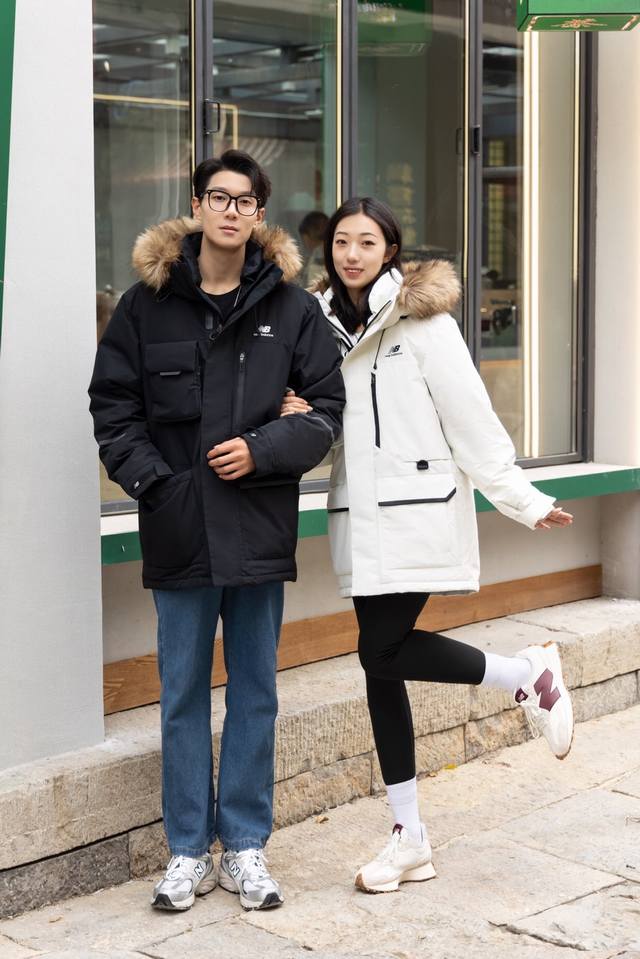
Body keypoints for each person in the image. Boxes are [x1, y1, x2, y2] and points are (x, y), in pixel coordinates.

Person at [282, 196, 573, 895]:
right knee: (380, 669)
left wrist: (523, 499)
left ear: (390, 250)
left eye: (367, 241)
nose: (352, 253)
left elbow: (470, 416)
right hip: (359, 516)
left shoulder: (424, 324)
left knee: (379, 651)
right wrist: (296, 414)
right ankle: (409, 837)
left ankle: (525, 675)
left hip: (417, 512)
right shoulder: (317, 326)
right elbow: (329, 429)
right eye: (342, 242)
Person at [89, 150, 345, 912]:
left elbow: (326, 412)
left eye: (245, 200)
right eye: (218, 197)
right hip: (180, 530)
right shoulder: (146, 307)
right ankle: (187, 850)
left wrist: (263, 448)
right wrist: (156, 485)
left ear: (260, 214)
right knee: (181, 696)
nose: (231, 210)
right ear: (196, 206)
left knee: (256, 691)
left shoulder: (293, 311)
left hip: (258, 530)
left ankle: (245, 845)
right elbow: (113, 407)